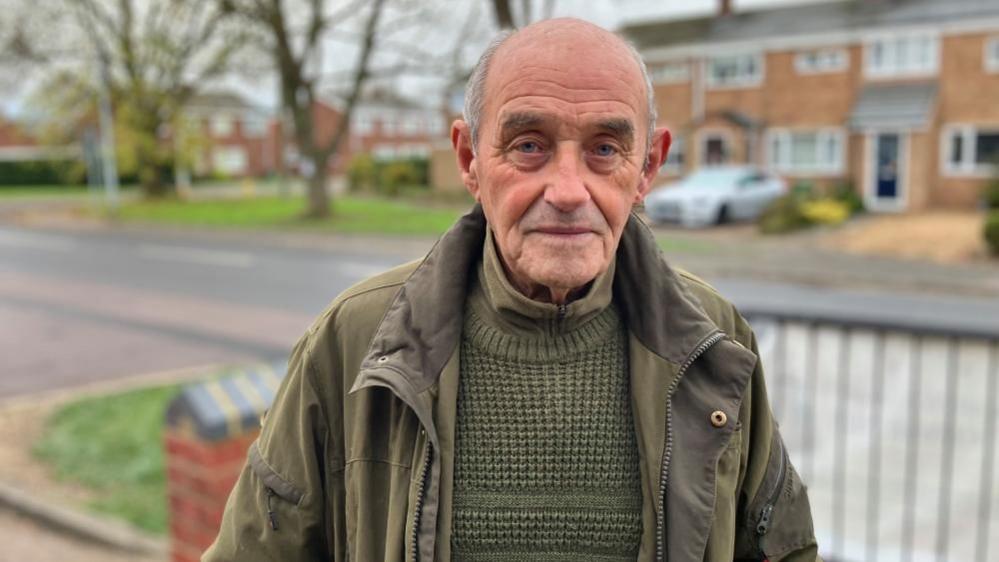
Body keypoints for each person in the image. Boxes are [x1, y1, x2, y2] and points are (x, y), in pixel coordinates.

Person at [205, 18, 819, 562]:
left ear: (648, 168)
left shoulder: (711, 338)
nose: (568, 190)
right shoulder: (354, 339)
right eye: (529, 146)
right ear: (470, 159)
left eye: (606, 149)